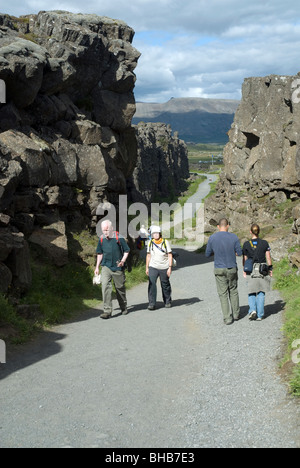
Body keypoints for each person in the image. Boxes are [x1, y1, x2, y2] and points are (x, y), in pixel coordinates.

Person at [205, 218, 243, 325]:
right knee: (233, 290)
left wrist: (215, 252)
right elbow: (239, 252)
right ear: (228, 225)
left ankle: (227, 318)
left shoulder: (212, 238)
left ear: (218, 226)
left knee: (223, 294)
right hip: (231, 267)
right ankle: (236, 314)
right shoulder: (234, 237)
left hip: (219, 268)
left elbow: (207, 254)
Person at [95, 220, 130, 319]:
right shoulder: (101, 239)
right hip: (106, 266)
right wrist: (97, 267)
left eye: (107, 230)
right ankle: (107, 311)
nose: (105, 232)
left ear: (112, 228)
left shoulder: (119, 238)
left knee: (120, 288)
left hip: (118, 266)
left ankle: (123, 307)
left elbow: (127, 250)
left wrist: (123, 261)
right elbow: (100, 253)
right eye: (103, 230)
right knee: (105, 286)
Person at [243, 224, 273, 321]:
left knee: (251, 291)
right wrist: (270, 269)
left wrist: (244, 270)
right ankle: (260, 315)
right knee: (261, 290)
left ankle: (252, 310)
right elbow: (268, 257)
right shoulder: (264, 243)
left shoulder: (246, 244)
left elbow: (245, 258)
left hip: (250, 269)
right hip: (262, 269)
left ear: (250, 232)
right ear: (259, 231)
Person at [146, 225, 173, 310]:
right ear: (152, 235)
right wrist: (147, 267)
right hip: (153, 266)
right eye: (154, 233)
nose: (156, 235)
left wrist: (170, 267)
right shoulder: (150, 243)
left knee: (165, 284)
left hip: (164, 266)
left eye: (157, 233)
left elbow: (170, 255)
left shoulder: (165, 242)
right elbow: (148, 255)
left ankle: (167, 301)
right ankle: (152, 303)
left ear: (160, 234)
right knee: (152, 283)